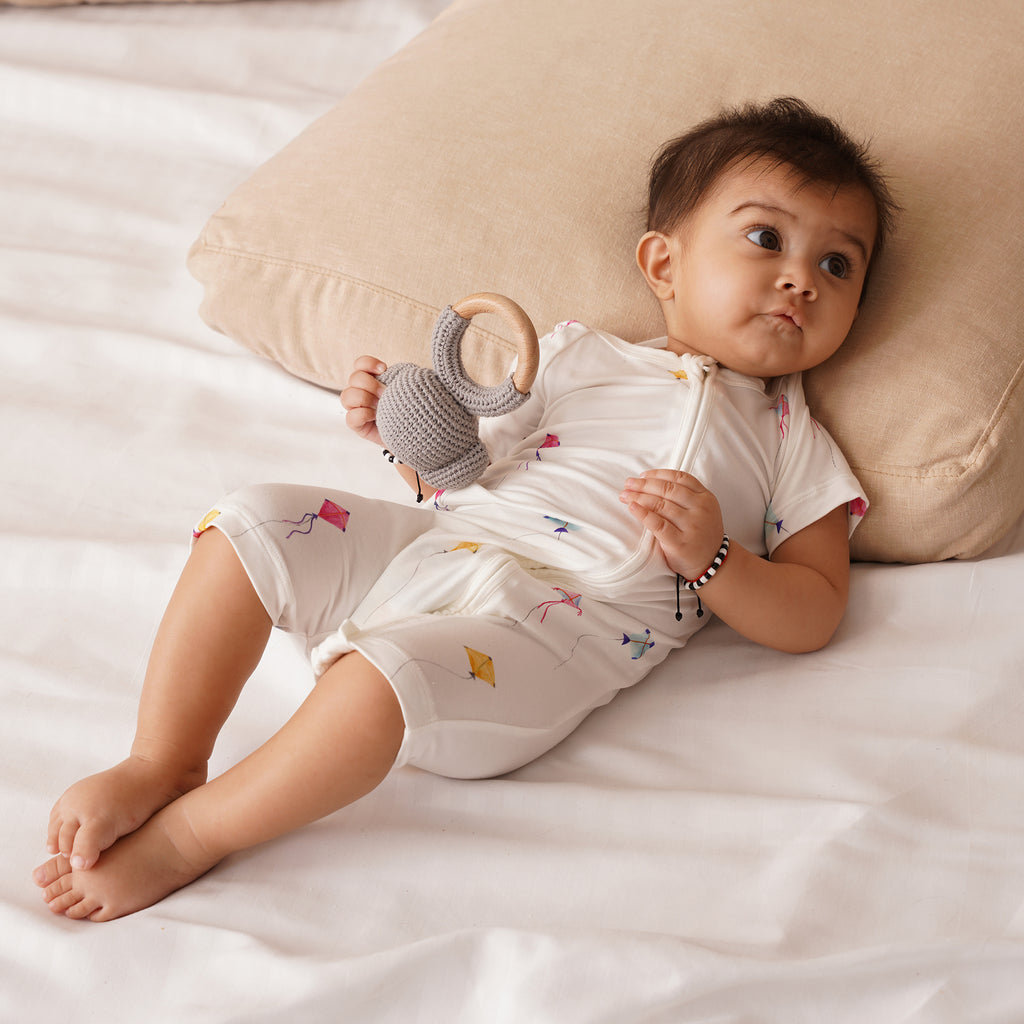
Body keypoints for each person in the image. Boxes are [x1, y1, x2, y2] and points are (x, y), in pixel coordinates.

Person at [33, 97, 897, 921]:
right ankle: (165, 759)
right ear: (664, 265)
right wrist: (410, 441)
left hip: (545, 638)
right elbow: (462, 475)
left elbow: (815, 607)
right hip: (441, 544)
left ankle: (195, 832)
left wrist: (718, 561)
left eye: (837, 264)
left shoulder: (792, 436)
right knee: (250, 521)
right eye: (764, 238)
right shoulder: (573, 356)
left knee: (380, 682)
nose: (799, 281)